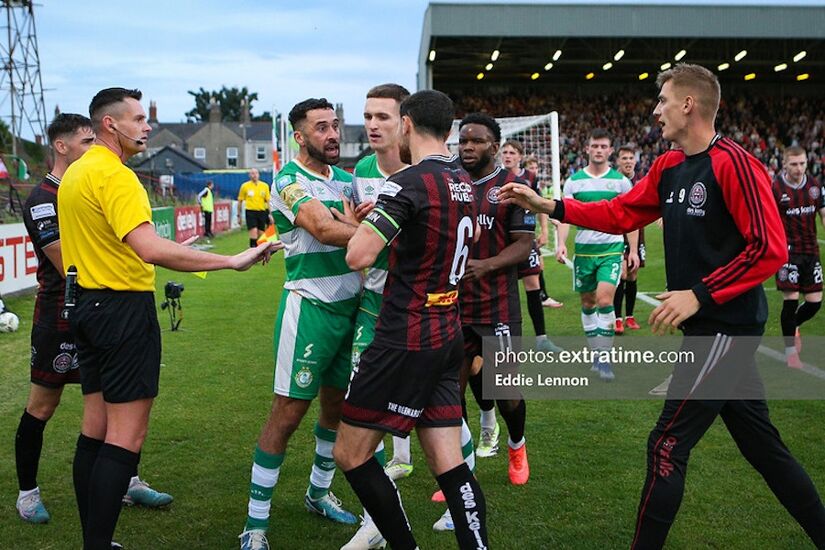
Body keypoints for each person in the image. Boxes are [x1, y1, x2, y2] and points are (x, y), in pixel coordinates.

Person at [499, 63, 825, 549]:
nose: (655, 111)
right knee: (765, 449)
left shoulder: (734, 163)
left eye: (663, 101)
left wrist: (700, 293)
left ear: (688, 105)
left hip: (725, 329)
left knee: (666, 444)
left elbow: (769, 248)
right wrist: (553, 207)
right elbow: (622, 212)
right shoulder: (670, 165)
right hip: (709, 329)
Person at [59, 88, 281, 550]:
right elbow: (149, 247)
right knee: (125, 436)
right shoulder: (116, 177)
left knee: (94, 430)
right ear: (110, 125)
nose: (145, 127)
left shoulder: (77, 173)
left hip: (86, 306)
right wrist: (229, 261)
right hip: (120, 310)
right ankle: (98, 544)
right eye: (138, 119)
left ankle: (91, 541)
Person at [333, 89, 489, 550]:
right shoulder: (464, 181)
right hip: (447, 333)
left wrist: (369, 223)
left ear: (406, 124)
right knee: (449, 461)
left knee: (351, 453)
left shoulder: (407, 183)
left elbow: (359, 255)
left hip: (405, 335)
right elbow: (448, 240)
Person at [16, 113, 173, 527]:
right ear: (61, 146)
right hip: (62, 310)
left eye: (94, 140)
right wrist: (138, 251)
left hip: (92, 304)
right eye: (85, 142)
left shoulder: (89, 180)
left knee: (113, 409)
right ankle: (27, 491)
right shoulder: (44, 196)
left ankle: (127, 481)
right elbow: (70, 257)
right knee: (44, 404)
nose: (93, 148)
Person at [239, 98, 372, 550]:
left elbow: (351, 225)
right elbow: (324, 230)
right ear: (300, 136)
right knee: (288, 413)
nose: (333, 134)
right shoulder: (290, 181)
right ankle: (255, 526)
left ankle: (318, 493)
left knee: (336, 408)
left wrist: (353, 222)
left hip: (351, 310)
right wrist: (367, 228)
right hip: (310, 309)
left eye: (335, 126)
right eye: (321, 128)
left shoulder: (349, 181)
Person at [458, 113, 533, 488]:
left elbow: (525, 244)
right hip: (453, 305)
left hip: (497, 305)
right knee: (450, 393)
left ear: (493, 145)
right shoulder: (450, 182)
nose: (468, 147)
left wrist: (488, 265)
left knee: (504, 391)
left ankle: (517, 446)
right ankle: (460, 471)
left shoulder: (511, 186)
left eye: (476, 140)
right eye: (463, 140)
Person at [556, 128, 638, 381]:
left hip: (611, 251)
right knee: (588, 303)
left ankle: (605, 359)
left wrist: (632, 250)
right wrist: (561, 243)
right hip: (584, 253)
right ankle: (596, 356)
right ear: (587, 149)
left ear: (610, 150)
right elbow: (565, 216)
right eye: (595, 146)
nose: (599, 150)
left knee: (605, 301)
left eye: (604, 146)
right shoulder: (574, 182)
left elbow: (632, 218)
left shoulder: (621, 182)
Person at [771, 145, 824, 369]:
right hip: (787, 253)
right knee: (791, 300)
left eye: (802, 163)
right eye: (794, 164)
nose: (799, 168)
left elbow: (823, 213)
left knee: (814, 304)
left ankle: (793, 327)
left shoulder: (814, 186)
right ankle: (791, 352)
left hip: (811, 252)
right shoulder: (775, 188)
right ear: (784, 164)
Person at [613, 144, 646, 334]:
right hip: (617, 233)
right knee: (621, 273)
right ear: (618, 161)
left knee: (633, 273)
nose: (627, 162)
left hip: (637, 233)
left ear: (635, 160)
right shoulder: (614, 181)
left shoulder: (641, 182)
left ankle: (630, 316)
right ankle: (617, 318)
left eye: (630, 158)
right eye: (624, 158)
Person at [238, 168, 273, 248]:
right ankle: (252, 251)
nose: (254, 175)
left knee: (261, 236)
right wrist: (239, 215)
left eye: (256, 173)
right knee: (253, 233)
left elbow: (268, 201)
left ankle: (260, 253)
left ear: (259, 174)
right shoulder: (245, 186)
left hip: (262, 212)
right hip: (250, 212)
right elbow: (240, 201)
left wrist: (271, 214)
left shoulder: (265, 186)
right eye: (252, 173)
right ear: (249, 175)